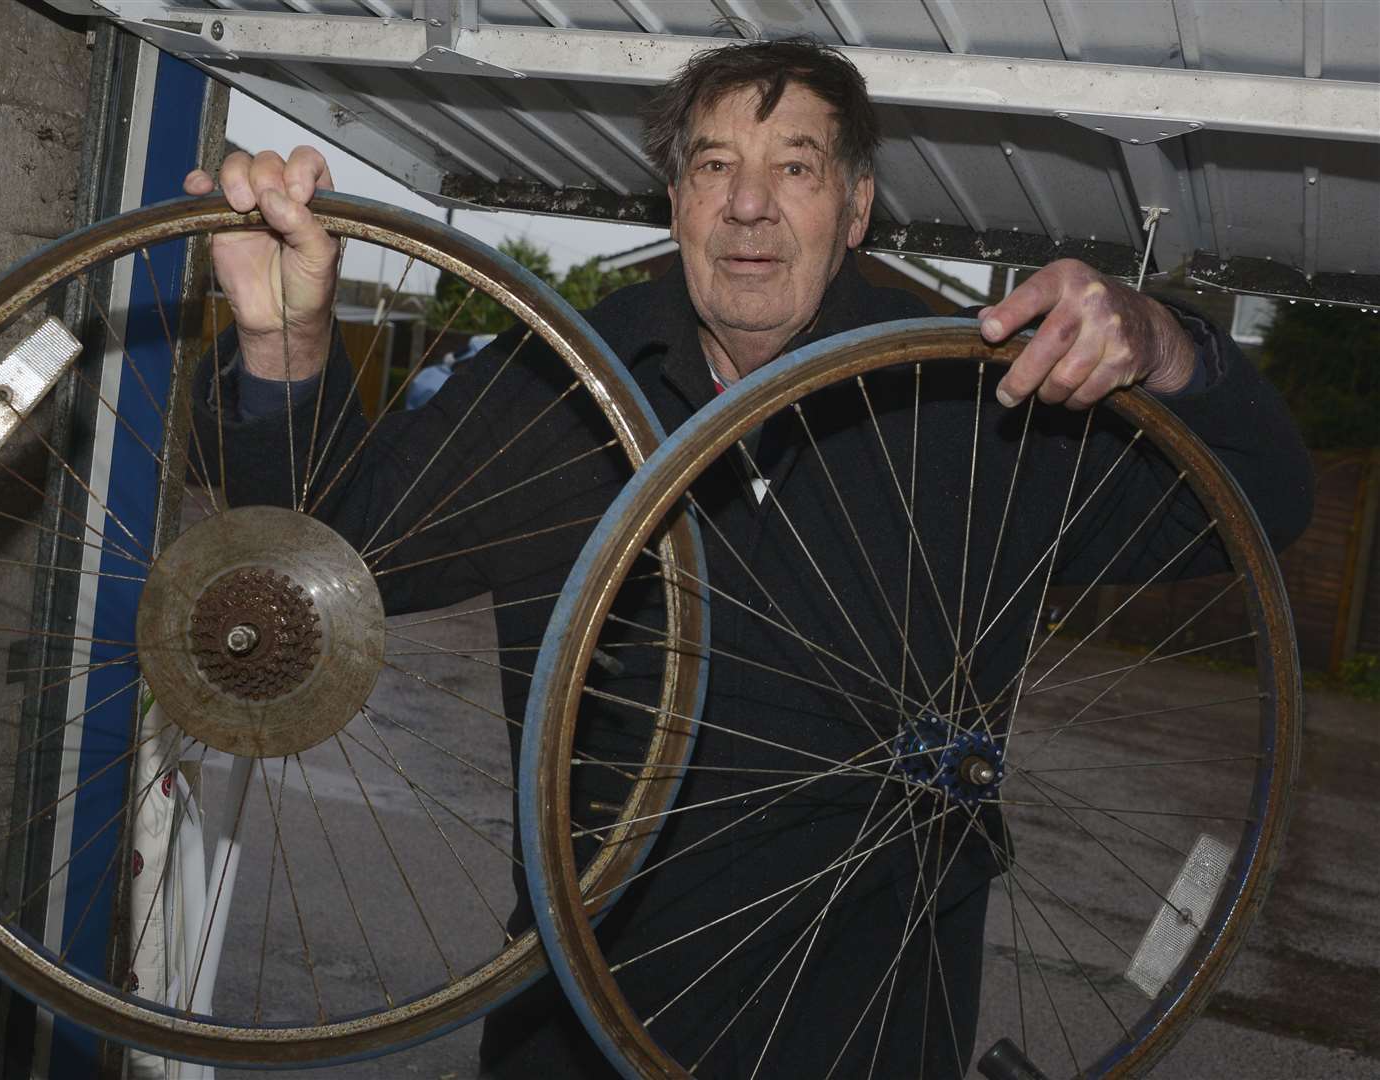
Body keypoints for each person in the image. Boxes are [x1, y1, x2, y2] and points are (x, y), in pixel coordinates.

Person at [185, 39, 1310, 1078]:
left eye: (798, 167)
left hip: (869, 1029)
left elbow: (1261, 504)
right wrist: (284, 335)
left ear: (857, 207)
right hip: (577, 1017)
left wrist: (1162, 341)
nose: (750, 204)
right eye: (714, 164)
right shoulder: (558, 387)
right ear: (675, 202)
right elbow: (324, 569)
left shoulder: (980, 401)